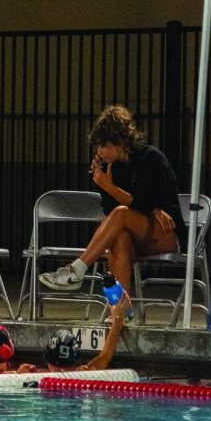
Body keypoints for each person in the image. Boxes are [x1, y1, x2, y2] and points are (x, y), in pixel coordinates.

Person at [39, 104, 183, 295]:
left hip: (165, 233)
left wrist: (109, 187)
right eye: (98, 146)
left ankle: (77, 270)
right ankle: (120, 313)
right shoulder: (110, 168)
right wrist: (104, 184)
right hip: (135, 232)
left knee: (121, 214)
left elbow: (142, 204)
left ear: (122, 142)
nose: (100, 152)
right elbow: (110, 210)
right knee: (119, 239)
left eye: (105, 146)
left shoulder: (151, 158)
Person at [18, 292, 131, 373]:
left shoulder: (33, 375)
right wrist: (117, 320)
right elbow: (105, 357)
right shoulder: (83, 375)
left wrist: (18, 374)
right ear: (76, 361)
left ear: (47, 360)